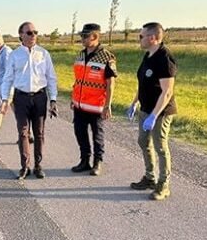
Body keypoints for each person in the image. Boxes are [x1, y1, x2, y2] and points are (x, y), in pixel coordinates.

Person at [0, 21, 58, 180]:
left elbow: (51, 78)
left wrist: (53, 99)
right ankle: (25, 166)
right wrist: (5, 100)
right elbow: (7, 79)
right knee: (23, 133)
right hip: (21, 98)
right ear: (21, 35)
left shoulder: (44, 54)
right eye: (29, 33)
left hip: (40, 97)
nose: (33, 36)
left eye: (35, 32)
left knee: (39, 133)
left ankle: (38, 166)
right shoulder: (14, 55)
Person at [127, 22, 177, 200]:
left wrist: (155, 115)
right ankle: (149, 177)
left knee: (160, 148)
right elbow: (143, 84)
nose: (139, 39)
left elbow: (167, 91)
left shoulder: (165, 59)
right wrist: (134, 103)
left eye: (141, 36)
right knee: (143, 142)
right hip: (145, 109)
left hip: (160, 113)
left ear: (153, 38)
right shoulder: (148, 55)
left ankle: (163, 185)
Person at [70, 23, 117, 176]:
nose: (82, 39)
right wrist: (73, 98)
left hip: (96, 106)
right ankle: (84, 161)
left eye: (85, 36)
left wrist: (107, 105)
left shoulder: (106, 57)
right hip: (79, 105)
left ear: (95, 37)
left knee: (97, 136)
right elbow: (78, 80)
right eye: (81, 36)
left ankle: (97, 162)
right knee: (80, 133)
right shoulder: (80, 55)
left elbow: (110, 84)